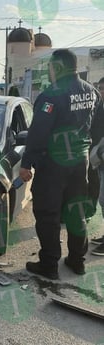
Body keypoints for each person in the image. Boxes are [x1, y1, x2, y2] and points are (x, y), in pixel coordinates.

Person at [20, 49, 100, 279]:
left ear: (59, 67)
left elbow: (38, 133)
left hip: (54, 165)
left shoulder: (51, 95)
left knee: (48, 213)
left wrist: (27, 163)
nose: (49, 72)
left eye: (51, 68)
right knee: (76, 211)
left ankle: (49, 265)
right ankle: (77, 260)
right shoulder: (91, 91)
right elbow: (97, 126)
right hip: (80, 162)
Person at [89, 76, 104, 255]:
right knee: (102, 201)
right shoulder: (100, 106)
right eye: (100, 88)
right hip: (100, 161)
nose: (101, 92)